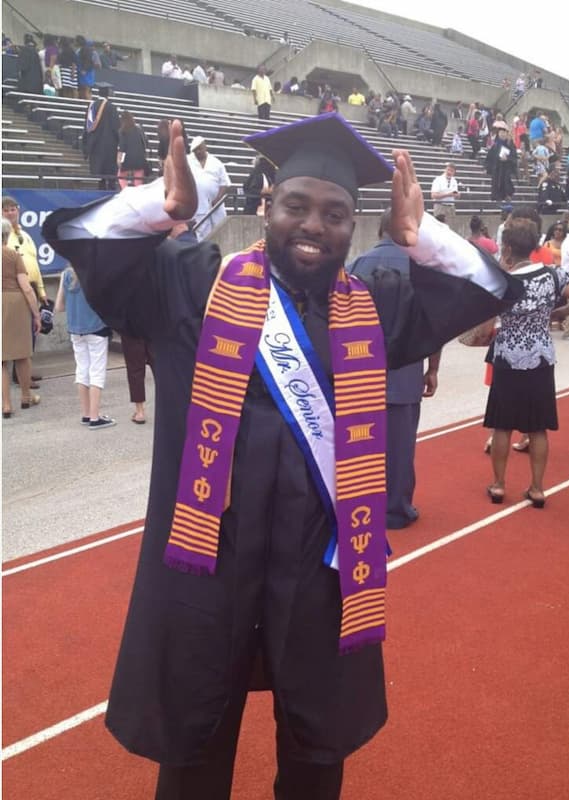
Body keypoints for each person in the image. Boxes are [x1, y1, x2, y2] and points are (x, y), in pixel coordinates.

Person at [43, 113, 523, 800]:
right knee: (194, 752)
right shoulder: (195, 286)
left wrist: (420, 237)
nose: (313, 225)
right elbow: (90, 245)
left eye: (335, 213)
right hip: (209, 564)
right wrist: (163, 205)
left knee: (314, 753)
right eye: (296, 205)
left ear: (352, 226)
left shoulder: (375, 309)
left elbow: (480, 292)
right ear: (266, 205)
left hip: (321, 573)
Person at [483, 218, 569, 506]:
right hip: (540, 357)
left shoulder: (501, 282)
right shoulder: (554, 276)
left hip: (507, 356)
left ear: (507, 247)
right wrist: (555, 314)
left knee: (502, 425)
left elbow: (483, 328)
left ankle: (498, 485)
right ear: (535, 246)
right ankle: (537, 488)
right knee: (538, 426)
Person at [348, 208, 441, 530]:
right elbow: (434, 325)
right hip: (404, 371)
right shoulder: (422, 270)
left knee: (358, 444)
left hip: (359, 373)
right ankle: (396, 509)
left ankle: (356, 505)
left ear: (380, 230)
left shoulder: (357, 266)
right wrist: (432, 368)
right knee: (399, 449)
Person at [54, 265, 115, 428]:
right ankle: (95, 417)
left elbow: (59, 306)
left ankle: (86, 414)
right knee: (97, 371)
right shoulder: (95, 272)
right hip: (96, 328)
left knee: (82, 370)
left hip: (75, 329)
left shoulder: (65, 274)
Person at [2, 218, 41, 418]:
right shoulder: (13, 255)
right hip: (14, 303)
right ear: (7, 235)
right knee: (22, 354)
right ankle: (26, 397)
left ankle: (6, 405)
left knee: (2, 361)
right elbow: (26, 286)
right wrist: (36, 314)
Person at [186, 135, 231, 239]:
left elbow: (224, 183)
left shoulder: (216, 163)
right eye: (195, 150)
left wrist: (217, 199)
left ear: (205, 147)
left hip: (216, 205)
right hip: (198, 205)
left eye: (199, 148)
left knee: (220, 231)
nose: (198, 152)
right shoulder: (188, 161)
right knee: (201, 233)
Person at [81, 83, 120, 190]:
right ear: (107, 94)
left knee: (100, 179)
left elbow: (87, 128)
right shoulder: (112, 108)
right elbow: (117, 128)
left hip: (96, 146)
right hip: (110, 148)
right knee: (111, 177)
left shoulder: (91, 106)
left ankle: (101, 190)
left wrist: (85, 148)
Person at [485, 124, 518, 203]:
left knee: (506, 186)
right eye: (500, 133)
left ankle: (507, 199)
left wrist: (507, 158)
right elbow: (489, 157)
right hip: (497, 170)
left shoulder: (510, 144)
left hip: (506, 169)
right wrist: (487, 168)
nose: (502, 134)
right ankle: (497, 201)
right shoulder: (495, 145)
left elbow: (514, 157)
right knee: (496, 187)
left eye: (504, 133)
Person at [117, 110, 149, 190]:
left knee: (120, 175)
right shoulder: (139, 130)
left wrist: (120, 161)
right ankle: (137, 193)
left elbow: (122, 148)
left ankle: (125, 190)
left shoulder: (122, 131)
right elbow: (145, 143)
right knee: (138, 179)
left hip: (128, 160)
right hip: (139, 159)